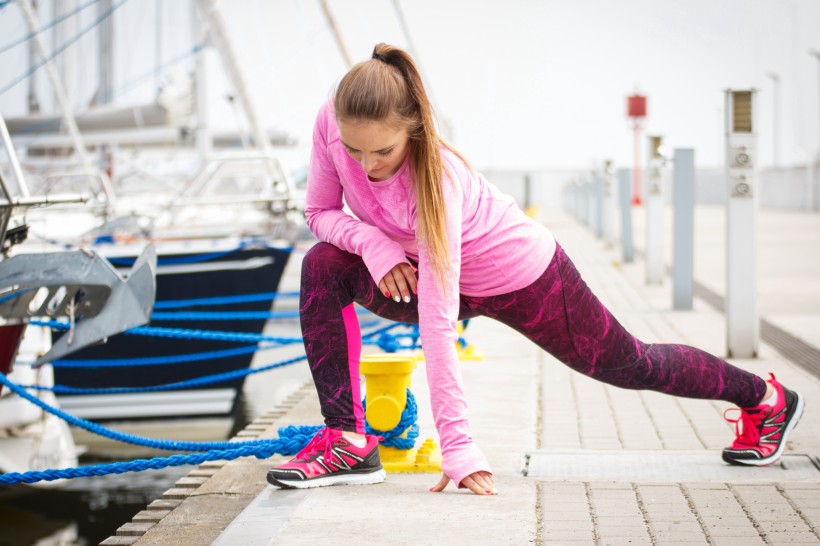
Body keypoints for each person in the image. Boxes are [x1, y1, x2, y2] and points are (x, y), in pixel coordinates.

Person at [266, 43, 805, 496]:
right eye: (354, 150)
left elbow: (438, 323)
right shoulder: (328, 120)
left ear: (412, 130)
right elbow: (319, 212)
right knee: (323, 265)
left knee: (629, 363)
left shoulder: (440, 181)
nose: (367, 165)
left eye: (381, 150)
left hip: (522, 277)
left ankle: (766, 398)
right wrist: (374, 243)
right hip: (407, 266)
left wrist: (457, 446)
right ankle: (349, 440)